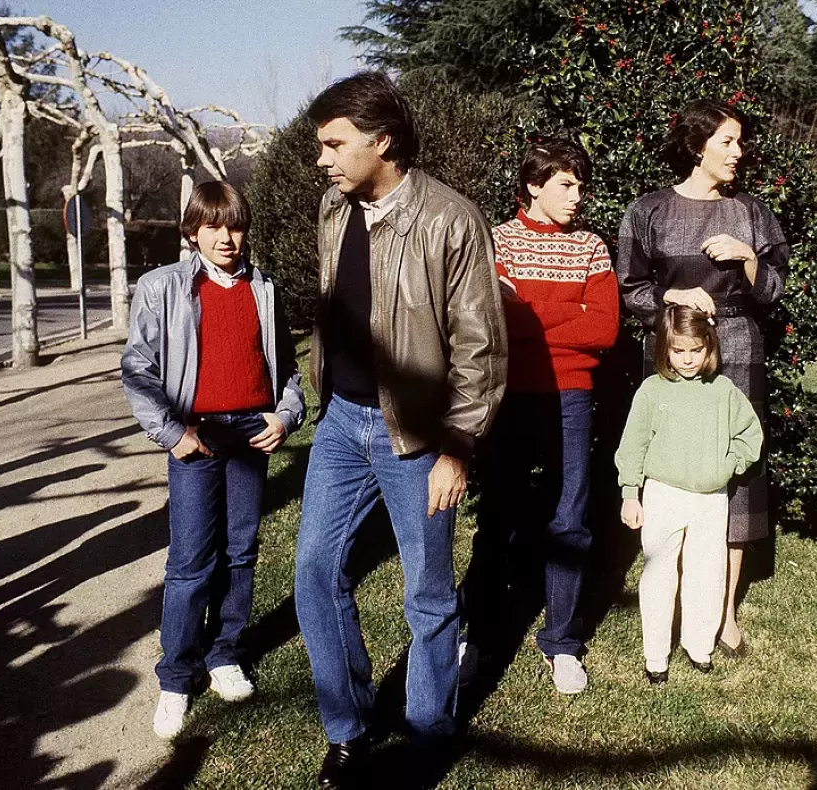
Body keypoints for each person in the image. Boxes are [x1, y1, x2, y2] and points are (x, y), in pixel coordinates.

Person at [295, 71, 507, 789]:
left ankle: (427, 733)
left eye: (334, 144)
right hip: (340, 425)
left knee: (428, 593)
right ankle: (349, 728)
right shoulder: (333, 207)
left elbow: (479, 345)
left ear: (381, 142)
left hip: (416, 438)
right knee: (315, 574)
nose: (322, 159)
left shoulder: (451, 218)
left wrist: (458, 446)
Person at [122, 181, 305, 740]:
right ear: (193, 231)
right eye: (213, 227)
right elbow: (138, 367)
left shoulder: (264, 288)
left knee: (241, 550)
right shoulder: (164, 287)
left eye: (235, 226)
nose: (226, 238)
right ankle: (176, 676)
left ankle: (224, 652)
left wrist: (286, 415)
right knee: (191, 561)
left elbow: (288, 368)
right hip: (196, 437)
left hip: (251, 432)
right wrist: (172, 434)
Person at [616, 99, 789, 656]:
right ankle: (669, 601)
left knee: (733, 479)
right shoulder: (649, 211)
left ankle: (722, 614)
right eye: (728, 142)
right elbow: (629, 288)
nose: (739, 152)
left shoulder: (752, 212)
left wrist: (748, 259)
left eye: (740, 142)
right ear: (697, 147)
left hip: (737, 349)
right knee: (671, 472)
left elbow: (777, 289)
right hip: (671, 352)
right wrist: (672, 296)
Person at [459, 138, 619, 694]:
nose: (579, 196)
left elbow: (604, 329)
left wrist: (530, 310)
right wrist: (566, 310)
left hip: (572, 396)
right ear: (533, 184)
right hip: (507, 395)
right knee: (497, 515)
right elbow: (494, 321)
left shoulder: (593, 248)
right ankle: (475, 633)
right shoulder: (497, 242)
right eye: (566, 184)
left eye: (582, 185)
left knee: (568, 519)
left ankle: (563, 643)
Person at [616, 305, 762, 683]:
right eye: (679, 351)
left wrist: (729, 465)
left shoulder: (723, 390)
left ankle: (699, 645)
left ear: (708, 347)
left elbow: (750, 434)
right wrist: (631, 493)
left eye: (695, 350)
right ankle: (656, 657)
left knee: (707, 572)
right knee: (659, 573)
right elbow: (632, 446)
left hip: (710, 499)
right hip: (662, 495)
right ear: (665, 350)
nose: (687, 359)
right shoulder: (652, 390)